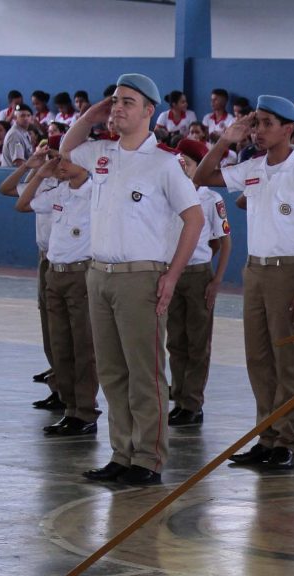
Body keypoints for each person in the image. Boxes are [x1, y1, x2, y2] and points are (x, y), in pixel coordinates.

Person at [62, 73, 203, 485]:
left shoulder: (164, 162)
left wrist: (172, 276)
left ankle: (149, 458)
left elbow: (193, 219)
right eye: (115, 101)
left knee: (144, 373)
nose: (119, 107)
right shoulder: (101, 153)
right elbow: (65, 149)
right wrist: (92, 113)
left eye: (128, 102)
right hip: (99, 274)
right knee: (111, 371)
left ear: (149, 112)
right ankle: (121, 453)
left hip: (140, 276)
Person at [193, 95, 294, 471]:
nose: (259, 131)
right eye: (256, 124)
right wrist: (224, 139)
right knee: (259, 359)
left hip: (290, 273)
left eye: (268, 123)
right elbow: (202, 177)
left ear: (289, 128)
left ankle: (286, 441)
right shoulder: (251, 167)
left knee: (288, 360)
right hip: (255, 271)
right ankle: (266, 436)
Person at [16, 149, 100, 436]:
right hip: (55, 273)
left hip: (81, 274)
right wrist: (41, 173)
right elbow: (22, 204)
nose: (59, 165)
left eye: (65, 159)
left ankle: (85, 411)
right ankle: (70, 408)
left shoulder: (97, 194)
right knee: (60, 346)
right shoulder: (60, 192)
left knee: (83, 347)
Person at [166, 138, 231, 427]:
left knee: (197, 342)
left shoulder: (210, 199)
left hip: (197, 275)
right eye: (179, 162)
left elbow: (223, 243)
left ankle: (192, 403)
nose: (182, 167)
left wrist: (216, 280)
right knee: (175, 340)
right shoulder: (168, 192)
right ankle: (178, 396)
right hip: (172, 273)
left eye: (188, 164)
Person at [0, 145, 62, 409]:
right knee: (49, 324)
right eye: (51, 155)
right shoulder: (44, 183)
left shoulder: (81, 185)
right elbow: (7, 190)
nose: (54, 160)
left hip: (66, 260)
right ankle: (58, 384)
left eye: (59, 155)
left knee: (65, 329)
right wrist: (29, 166)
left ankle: (68, 390)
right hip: (45, 256)